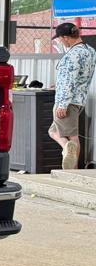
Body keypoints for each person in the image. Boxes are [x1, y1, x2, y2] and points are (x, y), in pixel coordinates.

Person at [49, 22, 96, 170]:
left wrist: (62, 103)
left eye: (60, 39)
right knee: (53, 131)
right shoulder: (90, 51)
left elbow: (69, 79)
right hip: (79, 100)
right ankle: (67, 148)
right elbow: (80, 77)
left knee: (72, 137)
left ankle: (72, 169)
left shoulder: (72, 55)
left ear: (66, 37)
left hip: (67, 101)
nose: (60, 41)